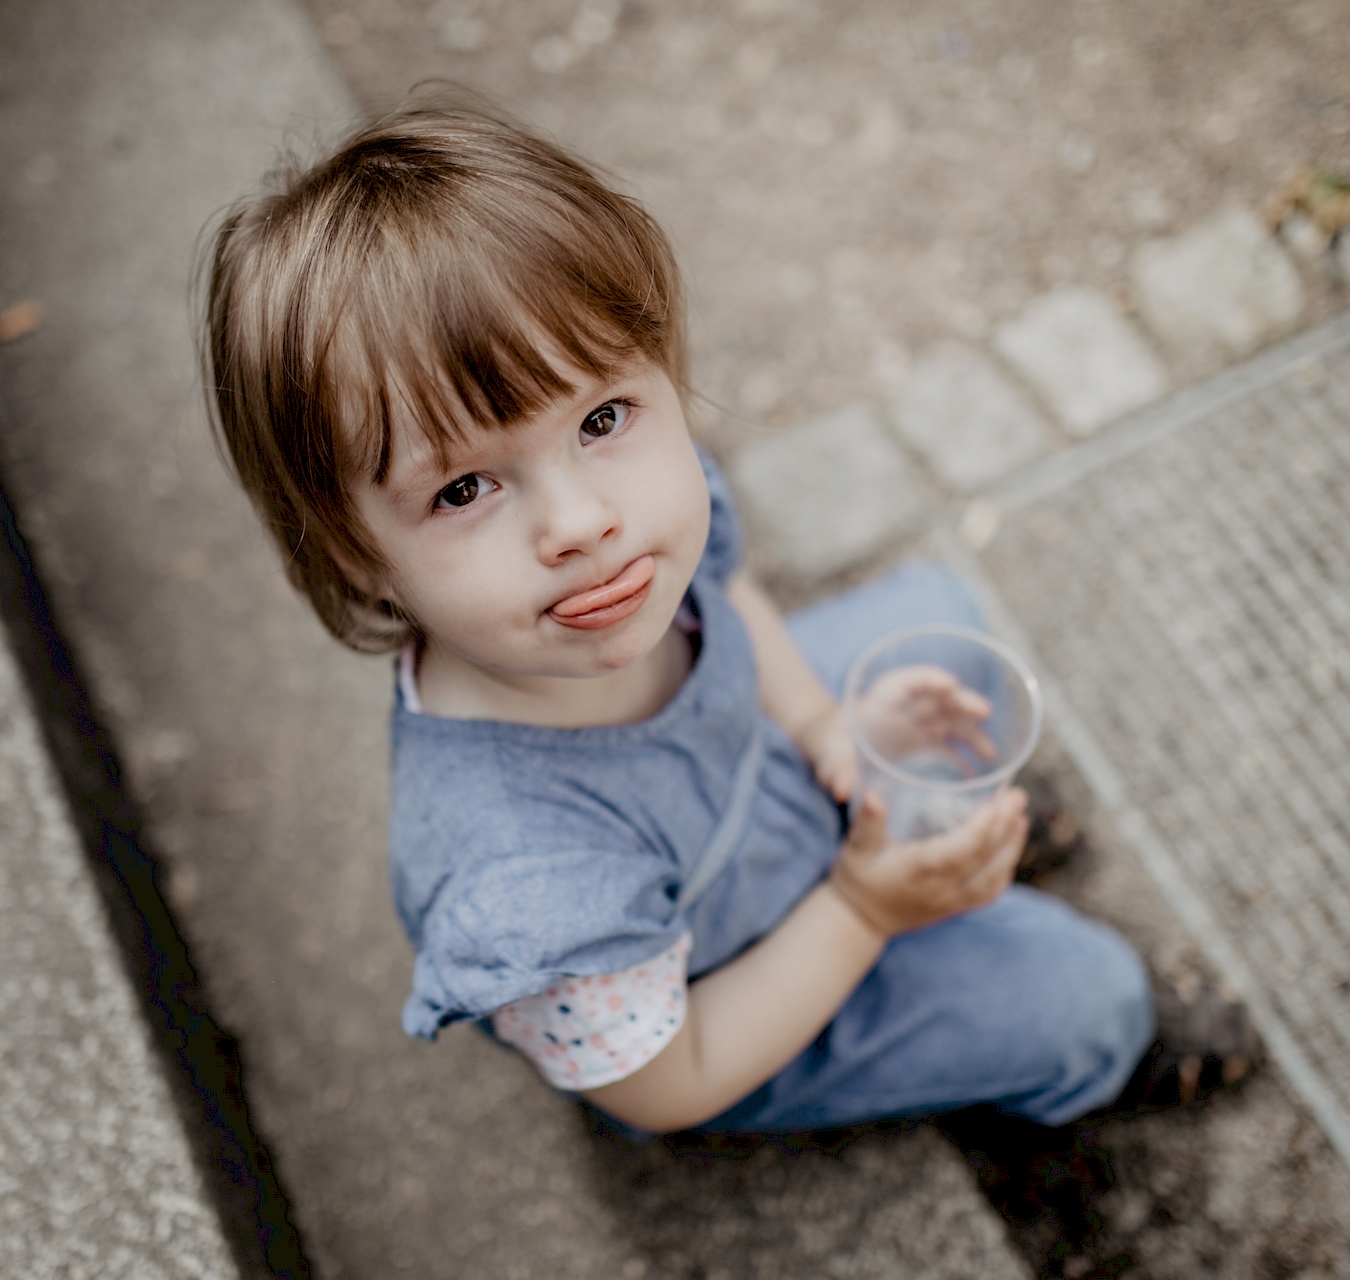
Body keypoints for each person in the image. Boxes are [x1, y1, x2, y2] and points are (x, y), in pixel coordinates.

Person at [201, 100, 1155, 1135]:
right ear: (355, 555)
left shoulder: (620, 546)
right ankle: (1015, 1005)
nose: (581, 521)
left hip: (762, 796)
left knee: (939, 611)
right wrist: (865, 906)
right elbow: (672, 1079)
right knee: (1095, 1002)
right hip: (733, 980)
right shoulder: (528, 873)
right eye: (466, 489)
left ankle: (932, 841)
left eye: (601, 419)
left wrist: (829, 732)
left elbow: (727, 592)